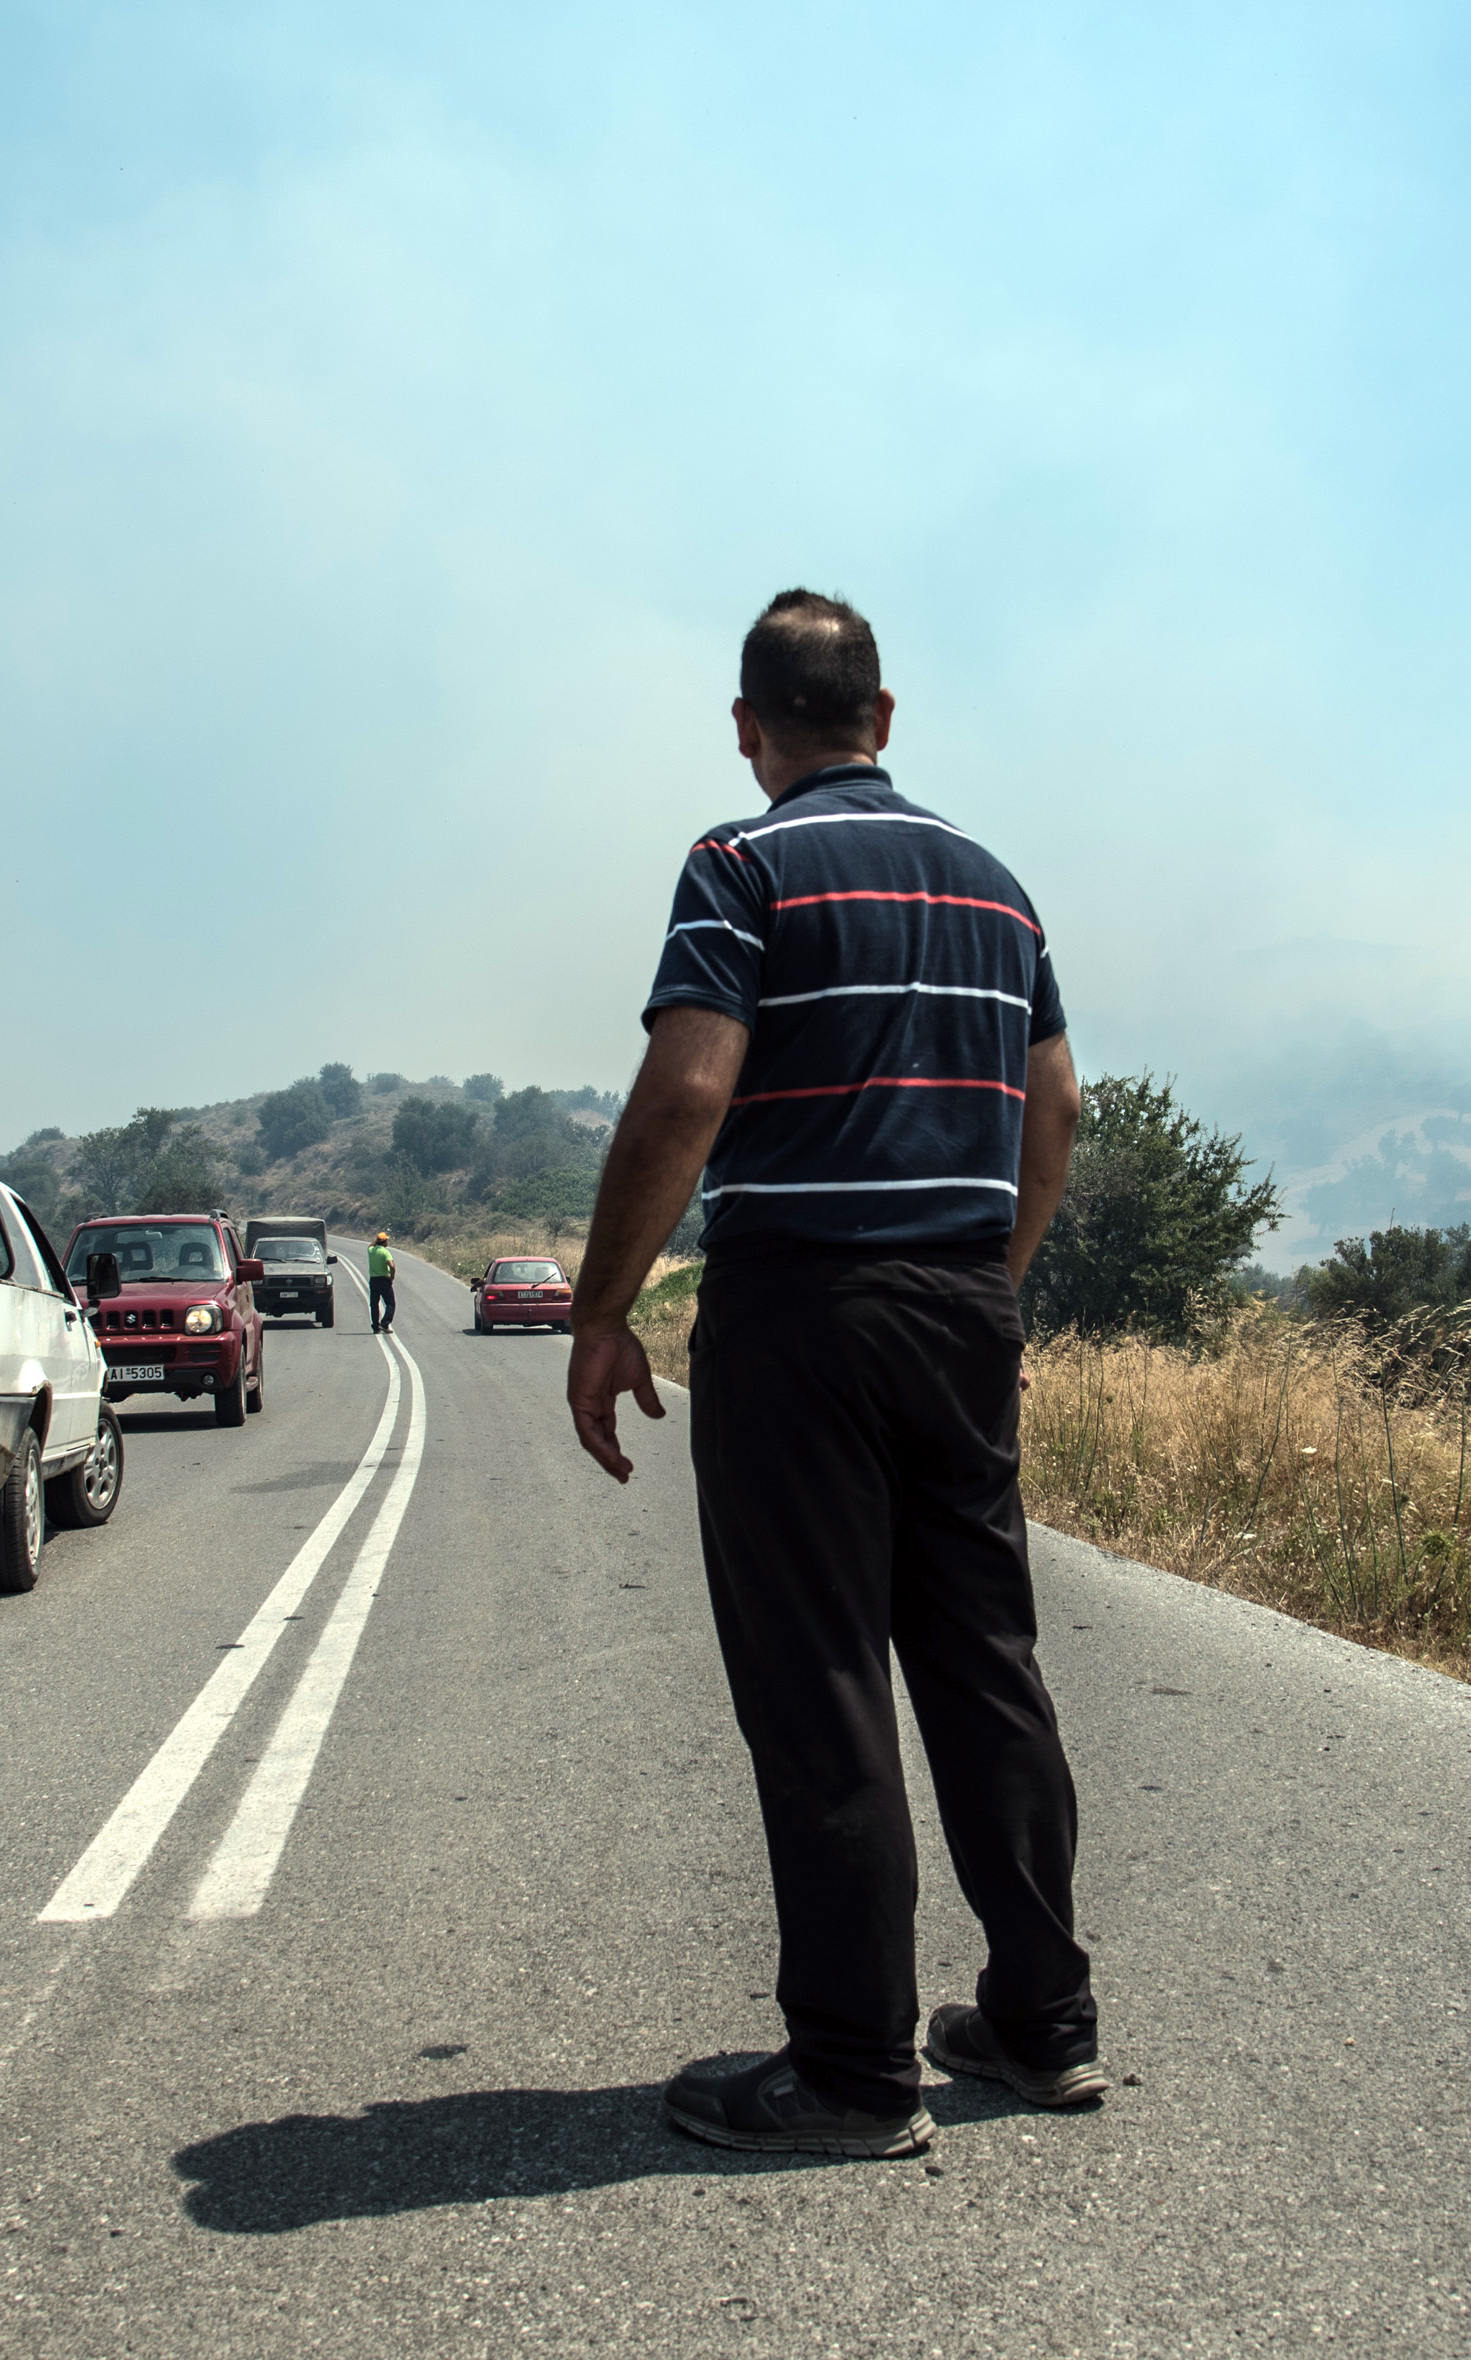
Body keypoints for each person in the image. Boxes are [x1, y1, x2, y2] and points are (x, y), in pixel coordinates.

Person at [564, 587, 1097, 2159]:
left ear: (750, 728)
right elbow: (1050, 1110)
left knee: (819, 1682)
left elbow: (687, 1087)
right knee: (981, 1658)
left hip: (799, 1312)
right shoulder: (999, 891)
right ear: (882, 715)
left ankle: (856, 2070)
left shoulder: (741, 865)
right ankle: (1040, 2019)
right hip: (955, 1306)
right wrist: (985, 1287)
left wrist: (604, 1308)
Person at [367, 1230, 399, 1333]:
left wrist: (376, 1241)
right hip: (384, 1280)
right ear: (385, 1241)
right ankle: (385, 1323)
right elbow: (391, 1266)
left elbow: (370, 1245)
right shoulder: (385, 1252)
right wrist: (392, 1277)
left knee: (374, 1304)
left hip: (374, 1280)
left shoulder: (371, 1250)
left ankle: (375, 1327)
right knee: (390, 1303)